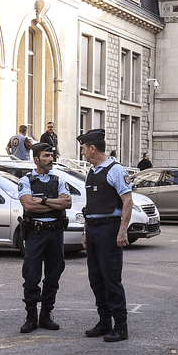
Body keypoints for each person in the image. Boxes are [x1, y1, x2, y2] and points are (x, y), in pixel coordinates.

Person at [77, 128, 133, 342]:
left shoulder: (115, 170)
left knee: (111, 279)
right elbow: (89, 206)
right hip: (92, 229)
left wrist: (122, 231)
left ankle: (120, 326)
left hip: (109, 229)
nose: (82, 152)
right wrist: (85, 232)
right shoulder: (92, 171)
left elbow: (128, 201)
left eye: (84, 148)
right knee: (96, 279)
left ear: (93, 148)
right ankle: (104, 322)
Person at [17, 142, 72, 333]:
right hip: (36, 233)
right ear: (36, 159)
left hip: (55, 233)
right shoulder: (26, 181)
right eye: (46, 156)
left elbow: (67, 203)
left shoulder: (59, 180)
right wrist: (54, 205)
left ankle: (46, 315)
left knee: (53, 275)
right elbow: (29, 206)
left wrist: (43, 200)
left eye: (51, 156)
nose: (50, 159)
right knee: (31, 275)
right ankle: (31, 316)